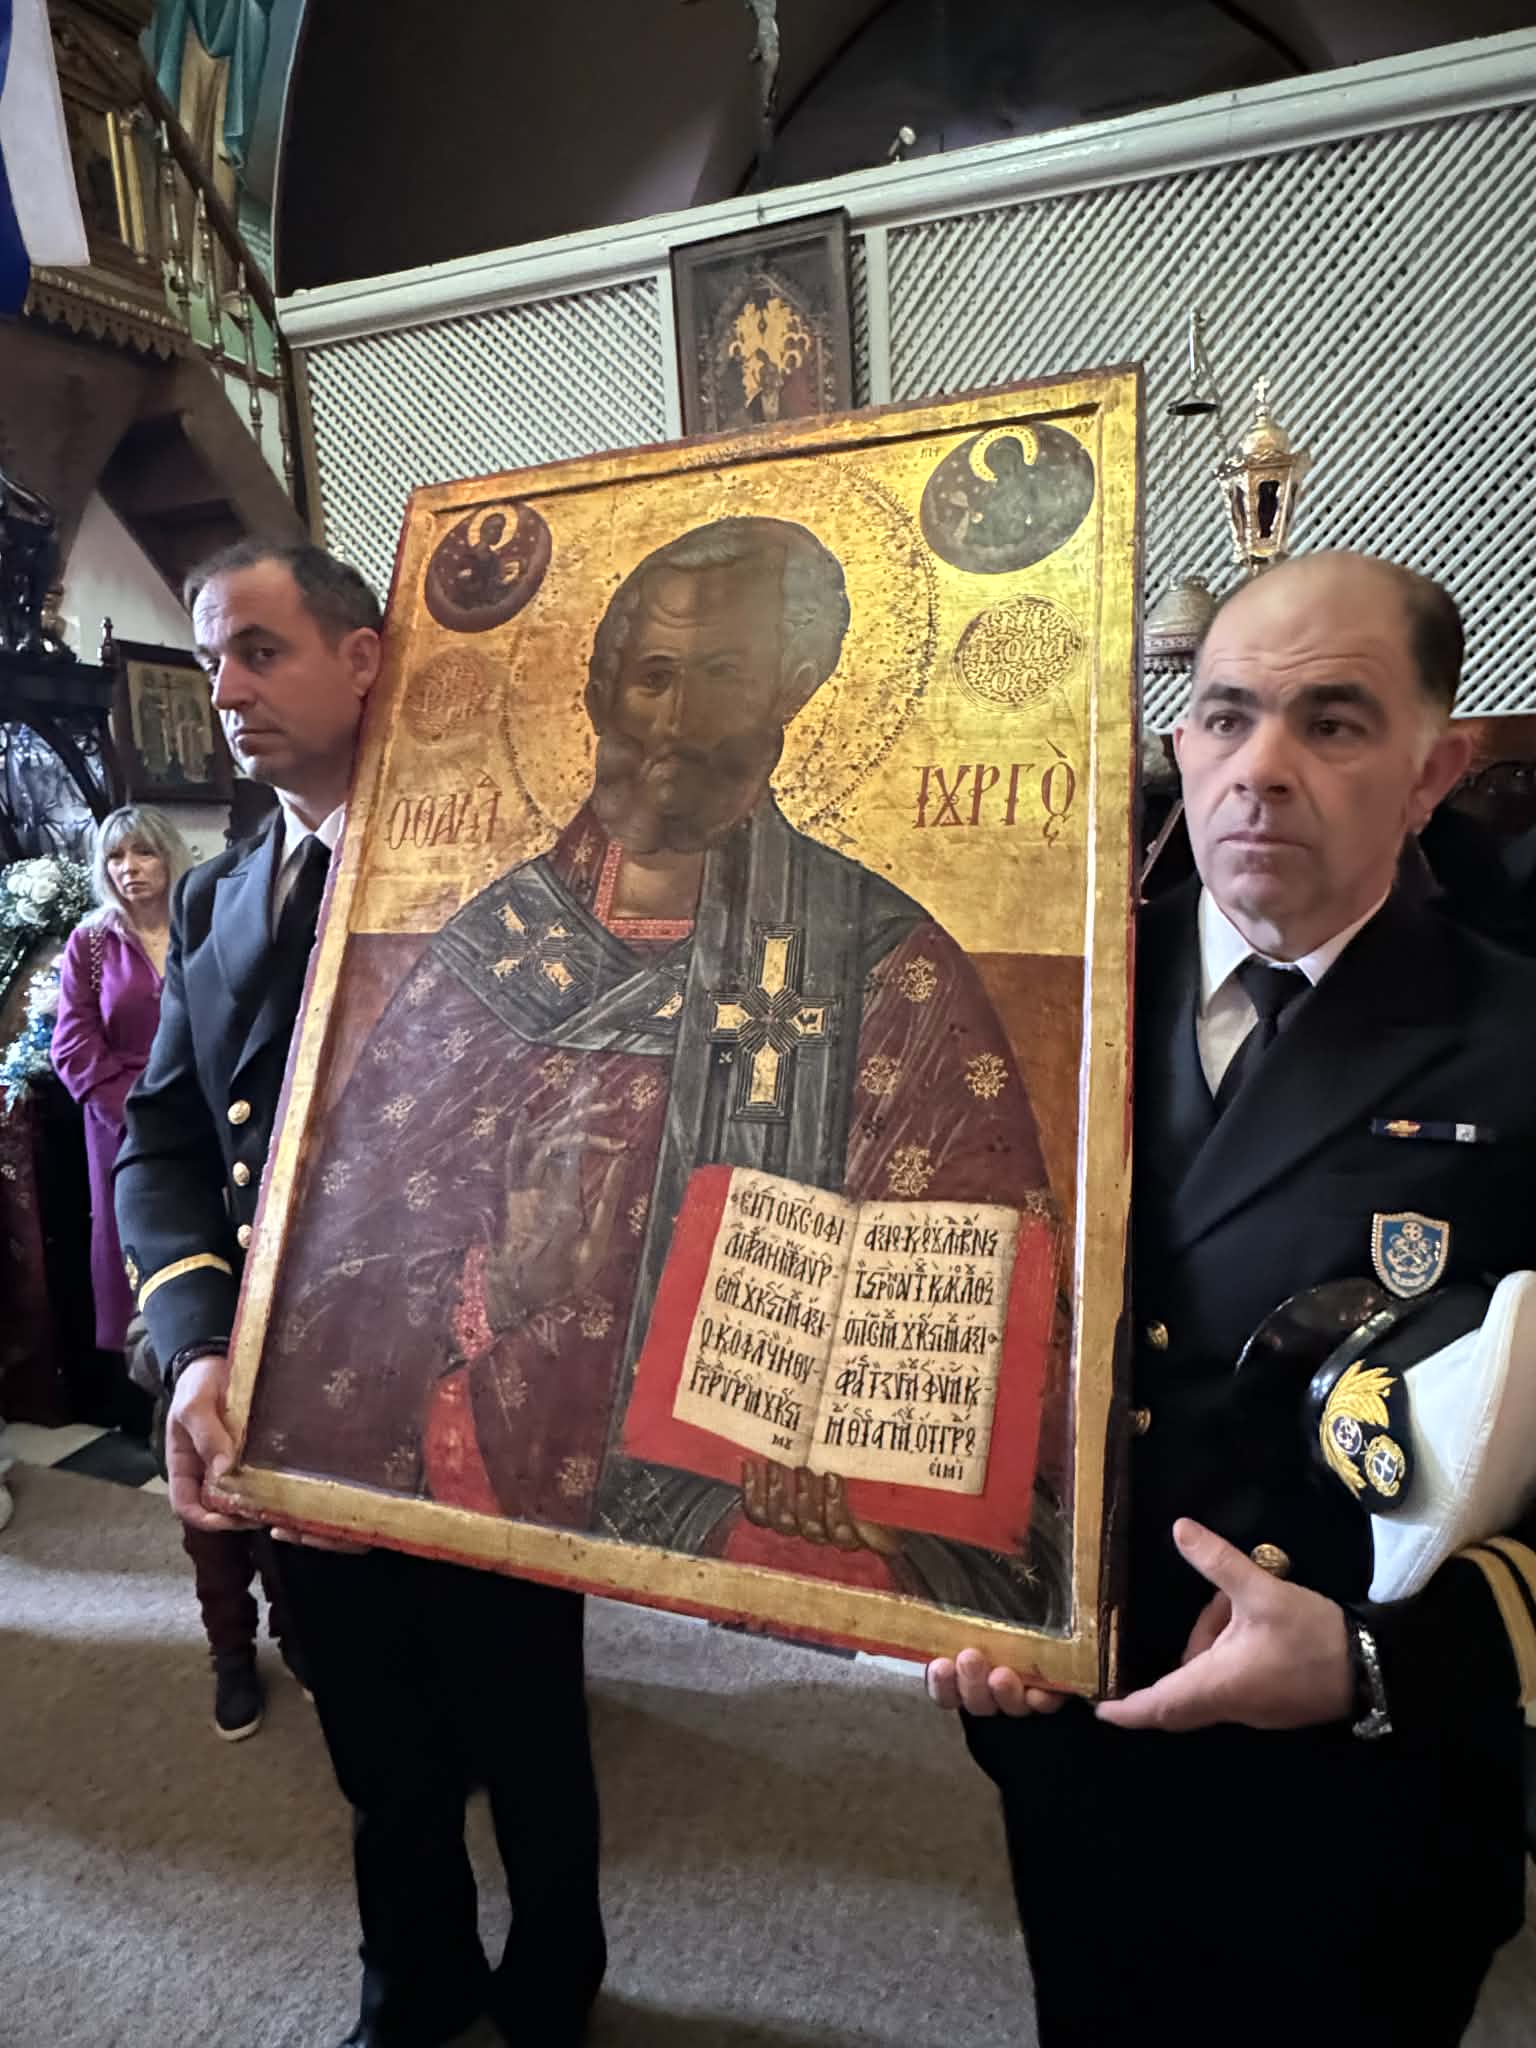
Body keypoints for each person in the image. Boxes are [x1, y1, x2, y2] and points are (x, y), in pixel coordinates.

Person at [927, 550, 1536, 2046]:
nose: (1260, 766)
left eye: (1332, 722)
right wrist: (939, 1568)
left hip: (1365, 1783)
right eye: (1225, 715)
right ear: (1178, 742)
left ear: (1433, 769)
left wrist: (1387, 1660)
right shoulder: (1031, 999)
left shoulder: (1515, 1040)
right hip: (1072, 1731)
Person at [239, 515, 1060, 1621]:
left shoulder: (881, 956)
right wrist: (498, 1291)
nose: (676, 720)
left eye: (724, 675)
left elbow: (979, 1258)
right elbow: (352, 1241)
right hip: (477, 1494)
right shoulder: (493, 944)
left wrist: (854, 1437)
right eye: (653, 675)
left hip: (758, 1527)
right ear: (599, 689)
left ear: (794, 689)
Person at [114, 541, 604, 2048]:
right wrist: (199, 1346)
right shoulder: (219, 896)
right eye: (213, 660)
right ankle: (415, 1984)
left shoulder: (504, 871)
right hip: (292, 1399)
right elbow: (166, 1142)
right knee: (372, 1731)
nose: (227, 689)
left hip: (475, 1383)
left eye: (260, 650)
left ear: (364, 657)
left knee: (525, 1724)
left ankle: (553, 1987)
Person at [53, 803, 300, 1740]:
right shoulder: (91, 946)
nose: (129, 868)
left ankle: (298, 1629)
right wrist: (152, 1115)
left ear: (168, 857)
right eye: (113, 856)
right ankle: (229, 1648)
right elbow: (77, 1048)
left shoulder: (213, 906)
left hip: (250, 1195)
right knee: (190, 1423)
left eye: (141, 851)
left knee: (274, 1445)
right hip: (148, 1176)